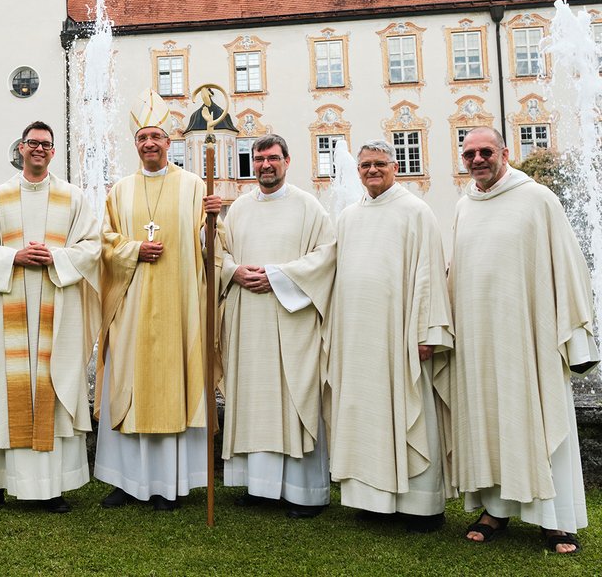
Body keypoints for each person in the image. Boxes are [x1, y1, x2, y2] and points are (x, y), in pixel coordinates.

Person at [451, 127, 597, 555]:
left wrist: (571, 333)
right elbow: (456, 270)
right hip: (480, 339)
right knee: (492, 422)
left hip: (529, 334)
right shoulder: (463, 207)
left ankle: (555, 521)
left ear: (504, 153)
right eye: (469, 153)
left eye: (485, 152)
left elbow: (568, 264)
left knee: (536, 416)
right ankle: (494, 510)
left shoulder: (537, 199)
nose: (477, 159)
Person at [95, 92, 222, 511]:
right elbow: (105, 241)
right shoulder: (119, 191)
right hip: (131, 309)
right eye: (142, 137)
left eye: (156, 137)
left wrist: (213, 218)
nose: (149, 143)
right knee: (127, 382)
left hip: (178, 308)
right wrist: (134, 249)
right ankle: (125, 480)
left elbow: (210, 248)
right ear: (136, 144)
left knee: (175, 381)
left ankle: (171, 482)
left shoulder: (193, 186)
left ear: (170, 142)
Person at [0, 123, 101, 514]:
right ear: (21, 149)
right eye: (32, 143)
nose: (39, 149)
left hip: (55, 313)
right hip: (7, 308)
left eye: (45, 144)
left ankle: (51, 488)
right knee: (2, 397)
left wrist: (56, 258)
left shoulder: (72, 197)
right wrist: (13, 257)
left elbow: (92, 248)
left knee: (53, 391)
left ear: (53, 152)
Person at [326, 141, 453, 532]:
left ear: (396, 167)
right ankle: (372, 500)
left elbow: (430, 272)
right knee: (366, 413)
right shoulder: (348, 216)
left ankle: (420, 506)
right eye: (365, 165)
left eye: (380, 164)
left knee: (409, 408)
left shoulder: (416, 211)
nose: (371, 171)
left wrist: (427, 331)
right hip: (360, 337)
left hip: (400, 335)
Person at [220, 134, 335, 518]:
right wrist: (234, 272)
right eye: (258, 160)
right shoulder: (237, 209)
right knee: (253, 398)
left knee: (293, 396)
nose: (265, 166)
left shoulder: (309, 207)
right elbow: (219, 254)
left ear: (288, 161)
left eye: (272, 158)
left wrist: (278, 276)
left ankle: (304, 493)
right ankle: (260, 486)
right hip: (248, 317)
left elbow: (326, 257)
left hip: (292, 318)